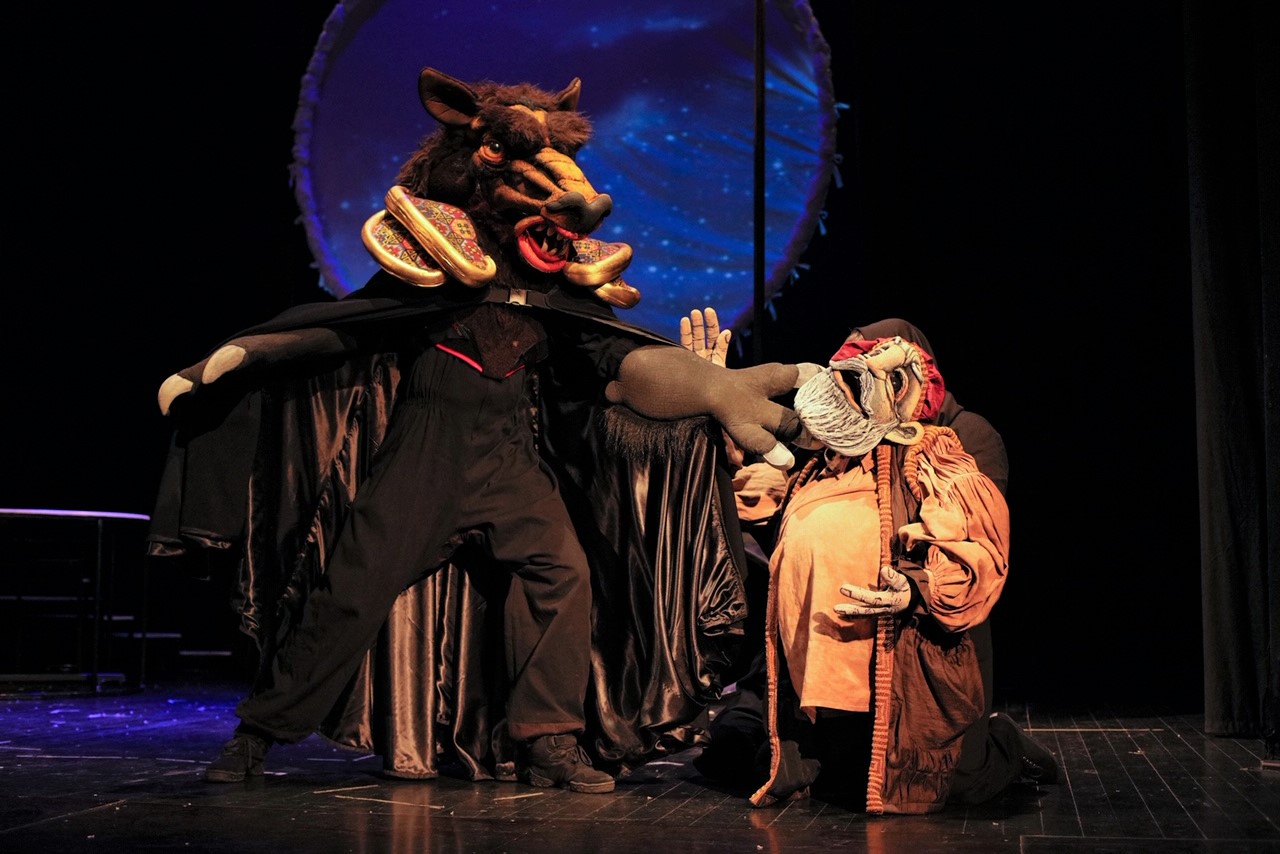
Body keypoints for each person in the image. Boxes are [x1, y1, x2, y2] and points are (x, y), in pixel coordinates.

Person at [147, 70, 808, 792]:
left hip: (511, 456)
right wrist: (239, 357)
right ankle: (259, 734)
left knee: (561, 573)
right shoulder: (432, 274)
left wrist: (709, 387)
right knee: (350, 592)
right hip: (425, 454)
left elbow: (616, 360)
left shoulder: (557, 294)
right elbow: (343, 330)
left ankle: (547, 739)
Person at [681, 310, 1059, 812]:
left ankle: (1005, 743)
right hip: (832, 644)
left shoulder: (963, 434)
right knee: (768, 761)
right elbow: (761, 500)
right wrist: (713, 413)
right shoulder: (837, 446)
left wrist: (917, 583)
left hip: (925, 637)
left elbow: (978, 540)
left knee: (952, 782)